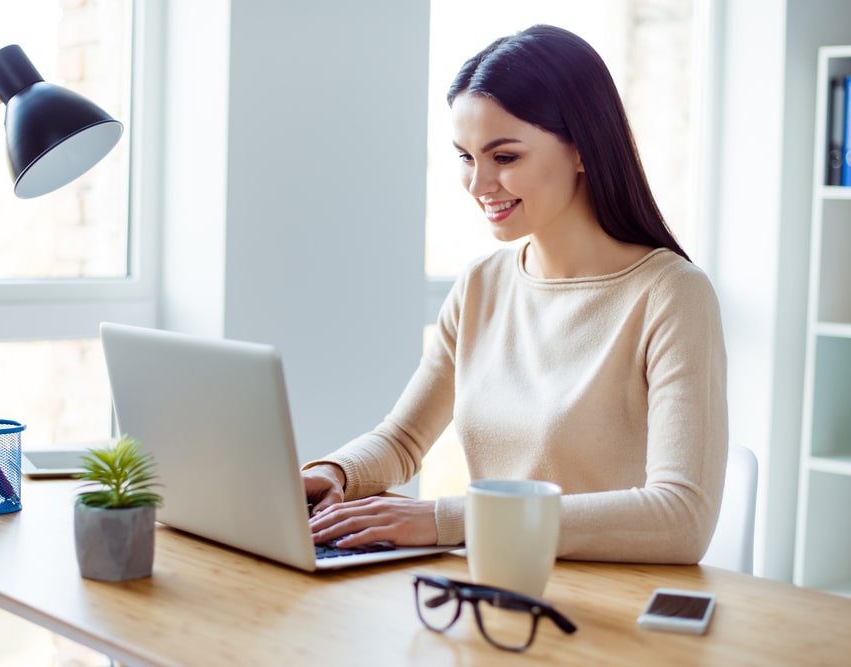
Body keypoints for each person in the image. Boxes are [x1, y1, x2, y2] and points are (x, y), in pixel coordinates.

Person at [302, 24, 728, 564]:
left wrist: (446, 520)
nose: (479, 185)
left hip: (607, 610)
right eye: (465, 157)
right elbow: (403, 439)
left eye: (504, 158)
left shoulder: (672, 295)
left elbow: (681, 518)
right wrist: (329, 472)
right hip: (493, 591)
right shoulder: (482, 284)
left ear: (582, 150)